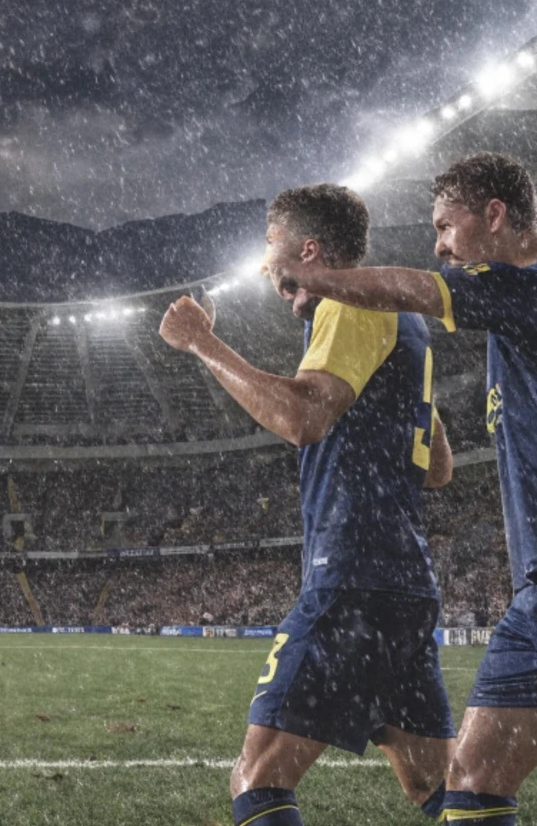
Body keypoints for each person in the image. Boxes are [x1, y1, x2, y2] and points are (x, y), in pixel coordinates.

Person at [267, 153, 537, 826]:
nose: (442, 247)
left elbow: (414, 290)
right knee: (471, 785)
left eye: (447, 226)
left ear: (496, 216)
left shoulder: (528, 288)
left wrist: (314, 275)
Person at [158, 183, 456, 826]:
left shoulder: (351, 302)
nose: (267, 265)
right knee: (442, 791)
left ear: (309, 250)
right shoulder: (406, 318)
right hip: (403, 583)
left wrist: (202, 344)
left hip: (352, 576)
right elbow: (438, 468)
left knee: (258, 778)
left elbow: (302, 418)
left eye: (272, 248)